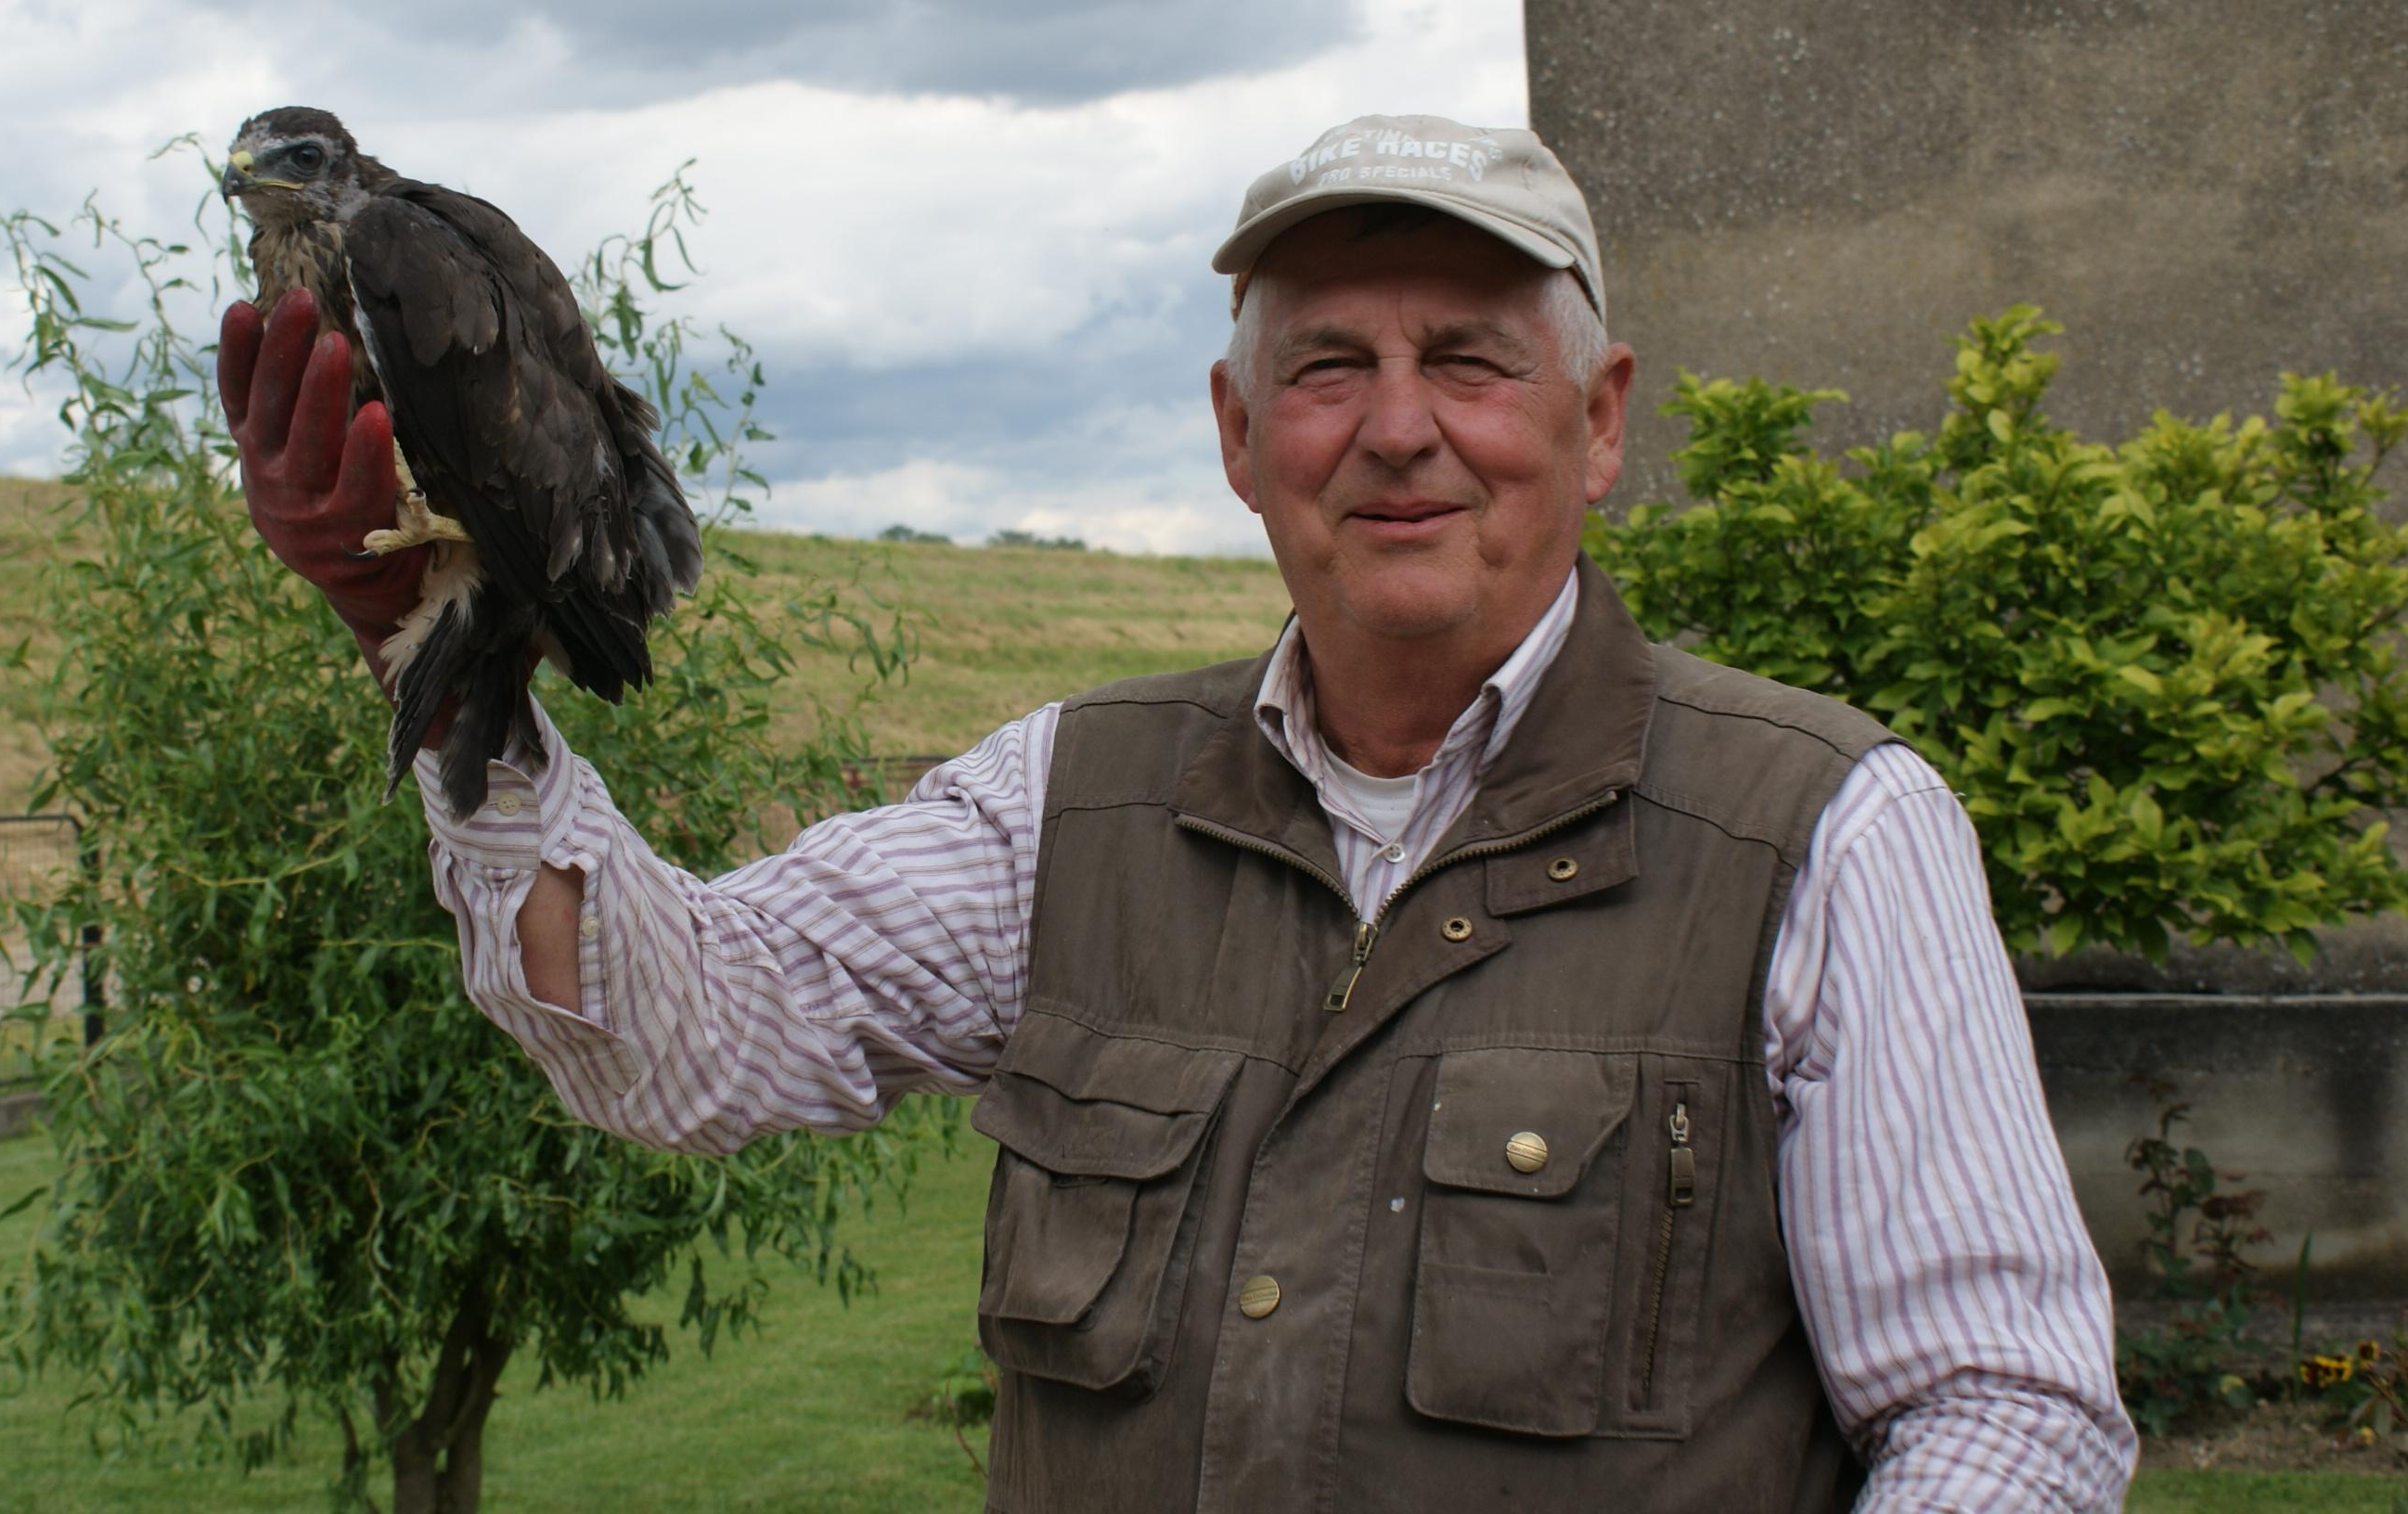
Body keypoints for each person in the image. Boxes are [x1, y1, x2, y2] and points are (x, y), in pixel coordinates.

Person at [223, 113, 2135, 1512]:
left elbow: (2004, 1414)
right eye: (1324, 367)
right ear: (1238, 438)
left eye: (1466, 358)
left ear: (1599, 417)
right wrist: (433, 649)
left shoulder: (1831, 834)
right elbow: (683, 1043)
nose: (1395, 427)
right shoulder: (1066, 802)